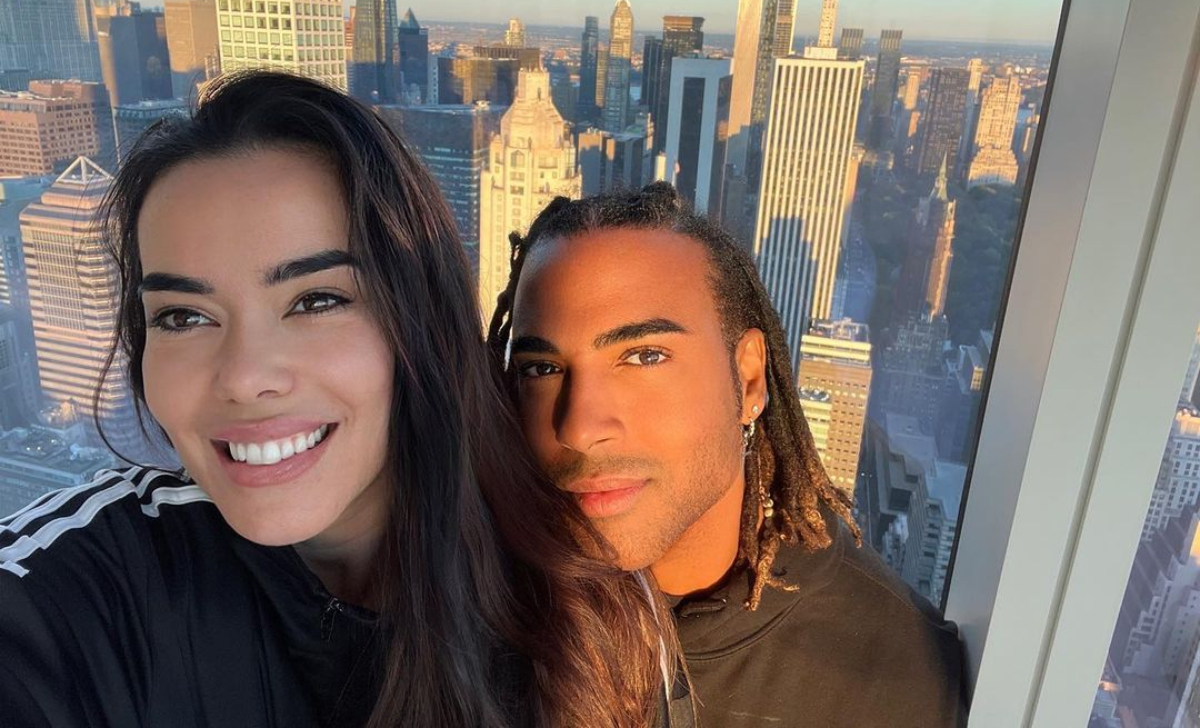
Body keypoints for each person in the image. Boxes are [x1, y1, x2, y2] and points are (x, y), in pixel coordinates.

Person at [0, 72, 669, 728]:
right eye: (183, 316)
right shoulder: (91, 587)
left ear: (420, 322)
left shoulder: (581, 597)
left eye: (317, 300)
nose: (245, 377)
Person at [488, 183, 968, 727]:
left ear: (749, 378)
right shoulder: (477, 611)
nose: (579, 428)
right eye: (542, 369)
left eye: (644, 356)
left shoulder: (900, 680)